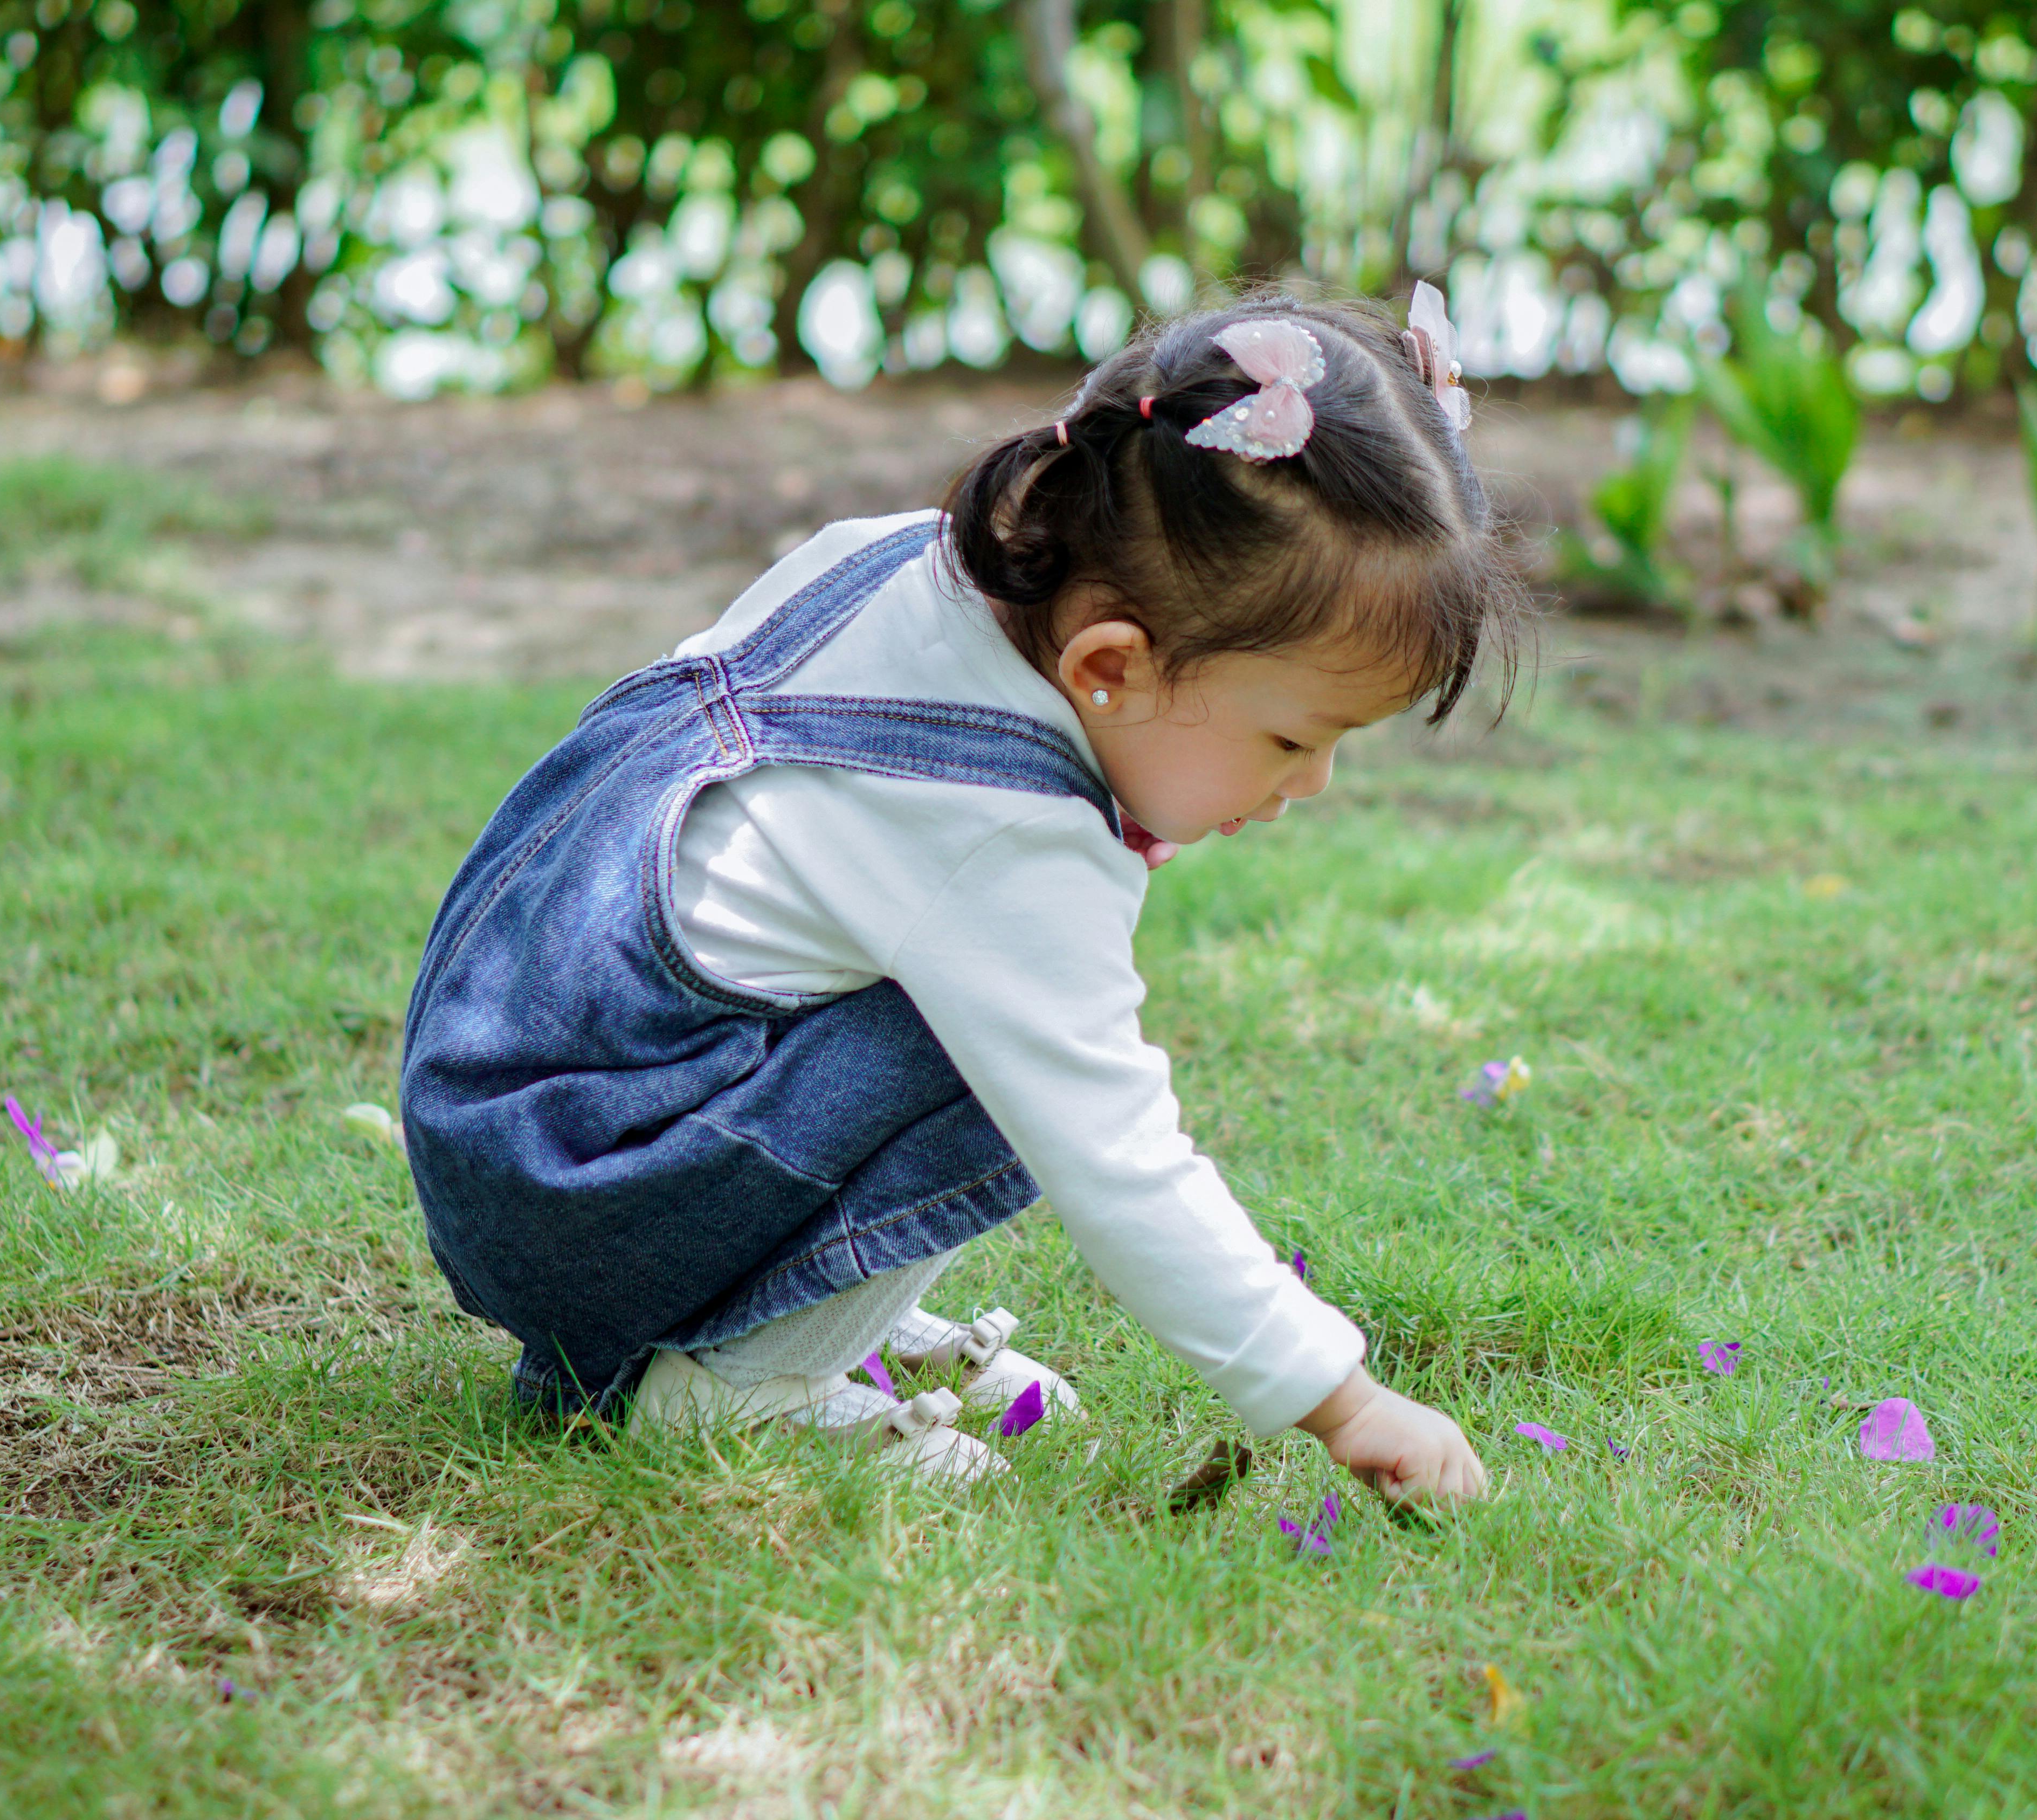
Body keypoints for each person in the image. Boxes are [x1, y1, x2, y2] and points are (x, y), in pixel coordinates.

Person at [400, 286, 1524, 1502]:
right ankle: (729, 1385)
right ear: (1110, 665)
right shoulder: (1005, 837)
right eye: (1294, 739)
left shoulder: (909, 560)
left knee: (942, 999)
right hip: (581, 1203)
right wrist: (1343, 1399)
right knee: (992, 1050)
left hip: (513, 1107)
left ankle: (799, 1308)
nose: (1314, 785)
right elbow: (1119, 1159)